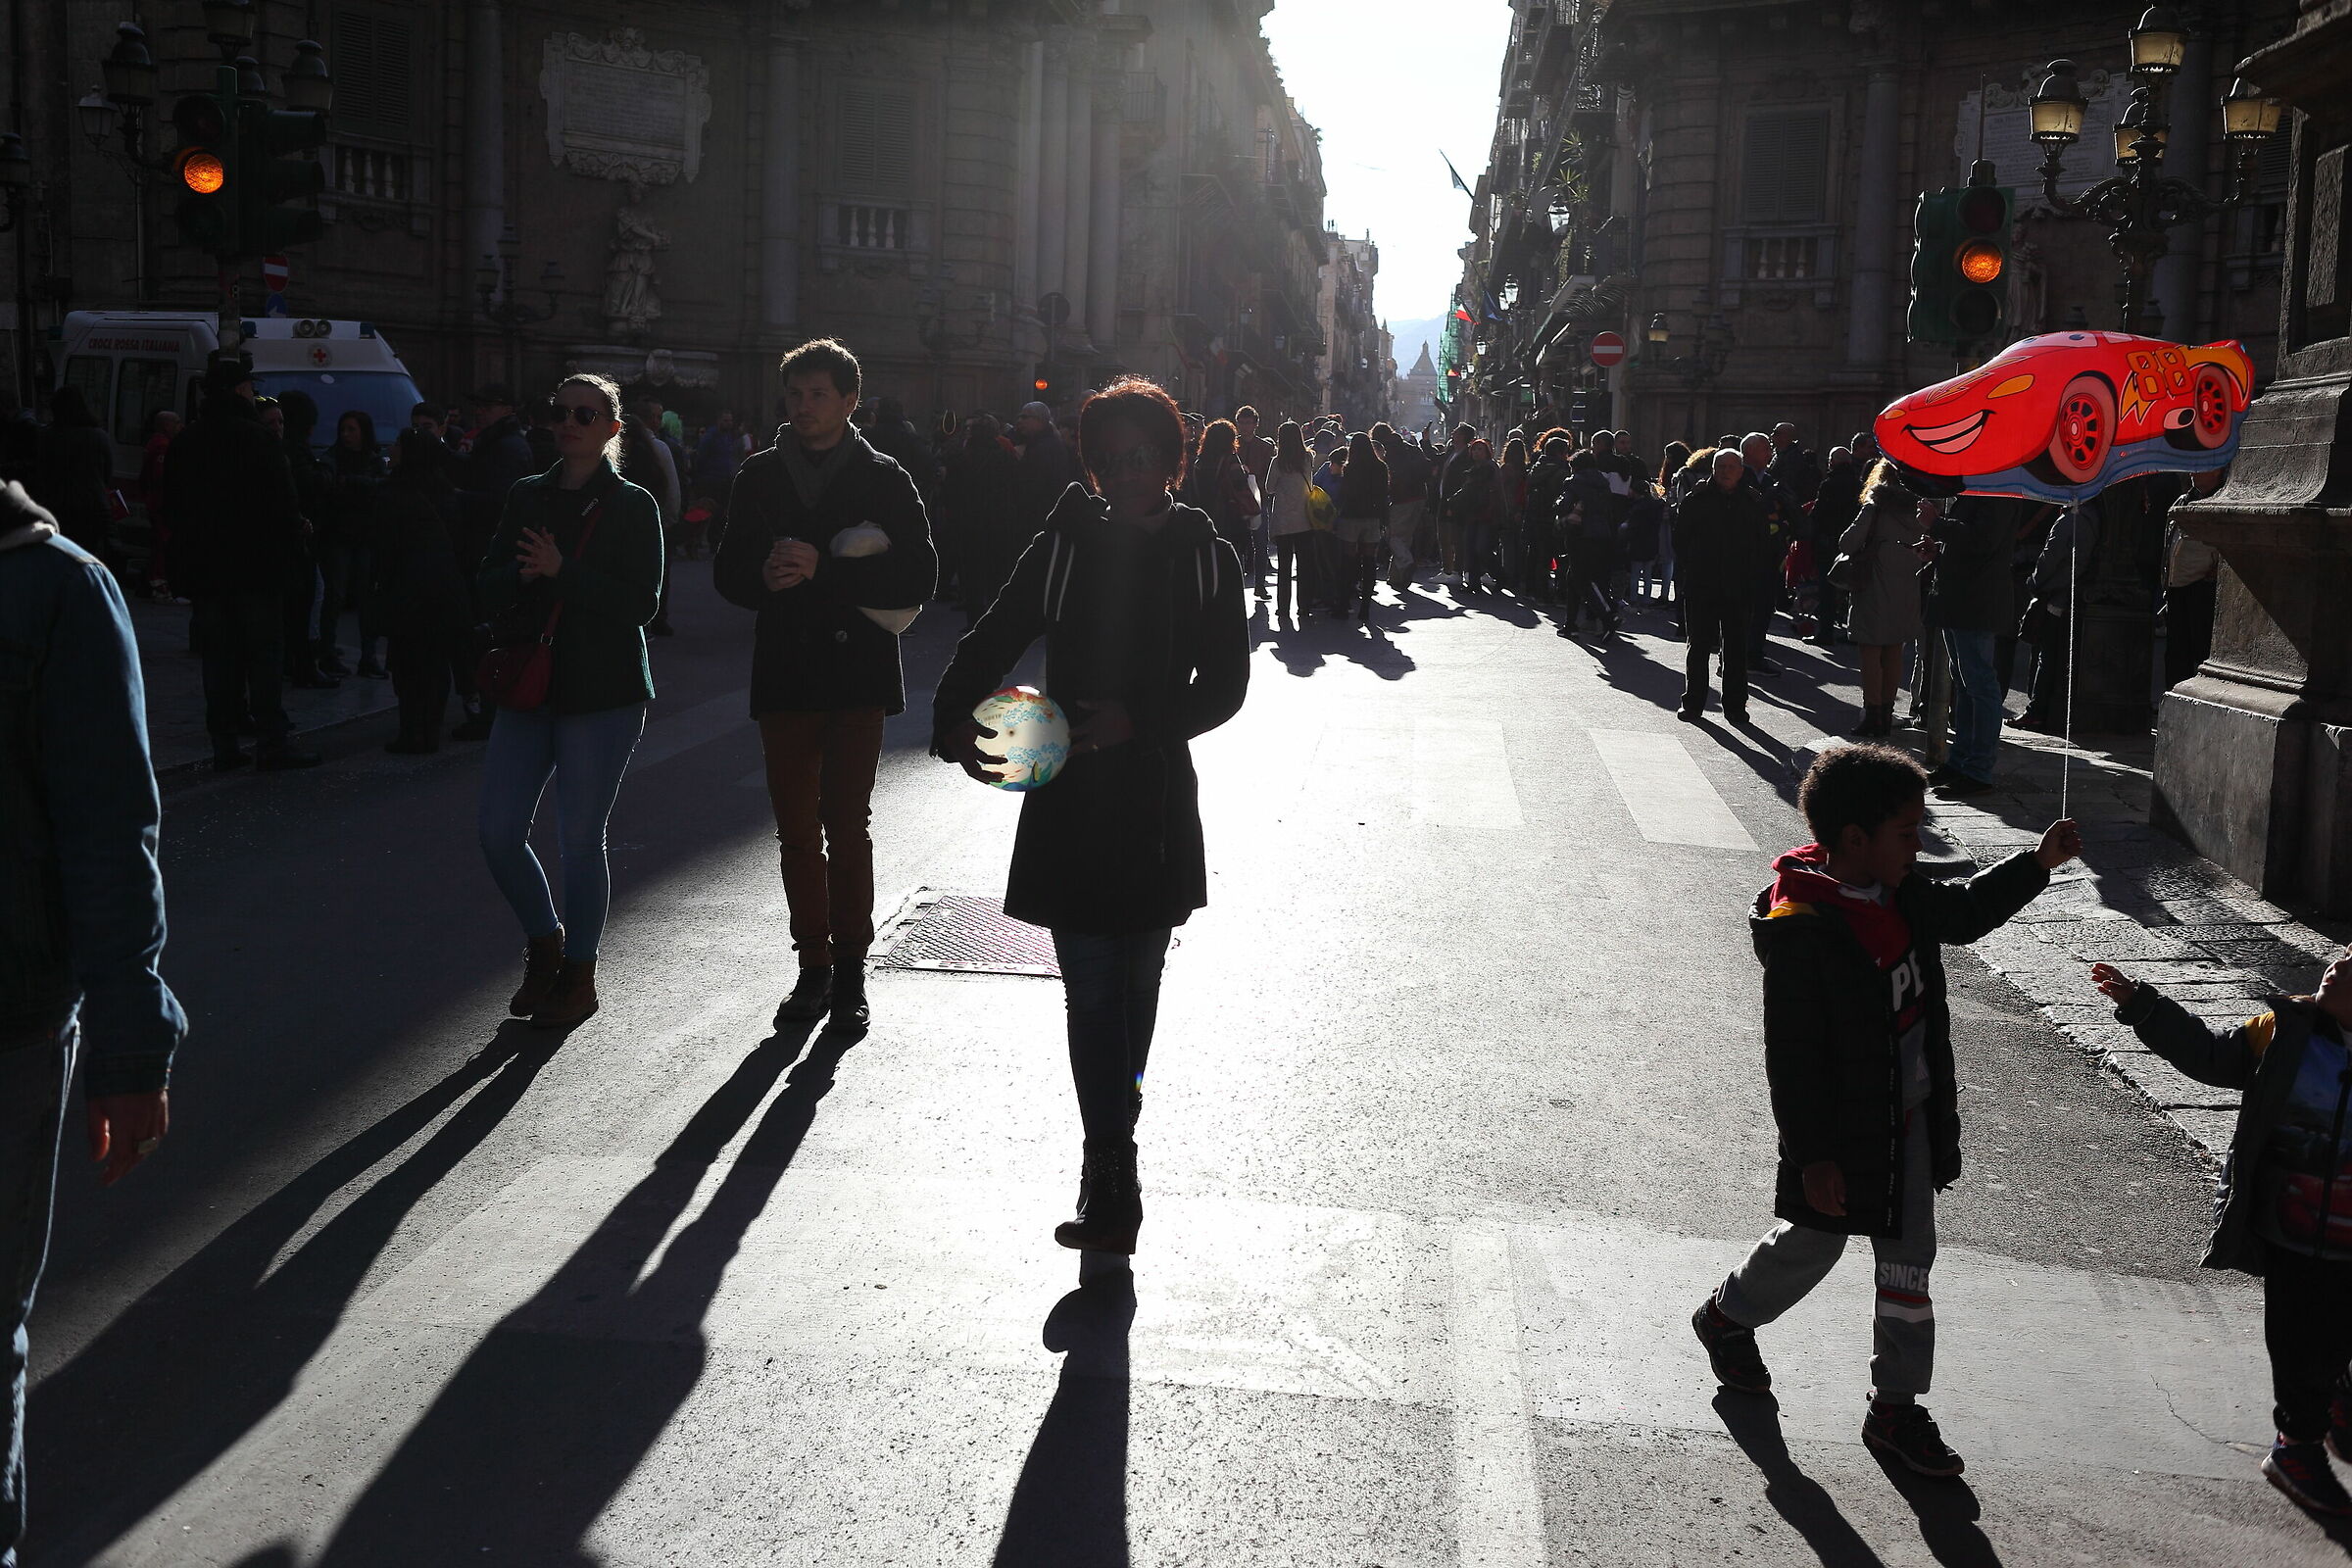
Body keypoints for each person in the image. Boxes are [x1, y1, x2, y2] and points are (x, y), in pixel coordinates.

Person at [1692, 744, 2081, 1478]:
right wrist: (1814, 1158)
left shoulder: (1899, 888)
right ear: (1854, 841)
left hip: (1911, 1120)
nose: (1920, 843)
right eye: (1908, 832)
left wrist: (2036, 863)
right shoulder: (1805, 930)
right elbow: (1794, 1062)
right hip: (1843, 1138)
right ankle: (1727, 1315)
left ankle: (1894, 1408)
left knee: (1908, 1267)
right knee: (1815, 1244)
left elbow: (1963, 915)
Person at [933, 377, 1248, 1255]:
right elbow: (992, 632)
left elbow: (1227, 687)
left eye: (1139, 456)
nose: (1121, 474)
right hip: (1070, 796)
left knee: (1133, 997)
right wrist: (954, 718)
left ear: (1172, 458)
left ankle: (1116, 1147)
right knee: (1091, 996)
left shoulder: (1204, 555)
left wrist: (1139, 723)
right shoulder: (1065, 545)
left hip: (1150, 797)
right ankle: (1109, 1169)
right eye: (1106, 460)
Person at [0, 476, 186, 1568]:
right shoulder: (55, 588)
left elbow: (107, 831)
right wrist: (129, 1049)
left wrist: (126, 1042)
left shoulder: (52, 592)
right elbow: (109, 831)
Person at [714, 338, 935, 1031]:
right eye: (795, 394)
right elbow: (727, 572)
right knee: (794, 831)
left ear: (849, 401)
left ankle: (850, 974)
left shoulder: (884, 476)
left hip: (855, 675)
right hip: (784, 671)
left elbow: (920, 577)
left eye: (818, 395)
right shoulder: (758, 475)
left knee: (846, 825)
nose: (804, 407)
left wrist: (826, 572)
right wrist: (763, 575)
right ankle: (811, 964)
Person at [2090, 944, 2352, 1517]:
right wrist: (2144, 1006)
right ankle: (2297, 1446)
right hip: (2293, 1228)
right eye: (2344, 954)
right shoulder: (2283, 1030)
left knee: (2337, 1335)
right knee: (2298, 1338)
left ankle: (2337, 1397)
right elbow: (2210, 1057)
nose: (2338, 964)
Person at [475, 373, 665, 1030]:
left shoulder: (632, 505)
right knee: (497, 833)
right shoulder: (527, 495)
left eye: (585, 413)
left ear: (613, 427)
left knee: (579, 840)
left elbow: (643, 603)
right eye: (558, 411)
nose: (569, 422)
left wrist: (566, 573)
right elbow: (486, 585)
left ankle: (578, 975)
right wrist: (521, 575)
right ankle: (544, 943)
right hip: (529, 686)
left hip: (603, 692)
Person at [164, 357, 322, 771]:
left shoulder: (188, 440)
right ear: (239, 391)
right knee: (263, 655)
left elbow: (172, 507)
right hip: (257, 567)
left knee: (219, 658)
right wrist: (295, 536)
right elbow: (282, 501)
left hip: (207, 570)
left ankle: (225, 742)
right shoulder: (258, 439)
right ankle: (272, 741)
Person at [371, 430, 473, 753]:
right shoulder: (445, 492)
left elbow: (385, 546)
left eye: (399, 444)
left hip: (407, 590)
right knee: (435, 664)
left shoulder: (393, 492)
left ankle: (411, 731)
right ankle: (430, 730)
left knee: (408, 664)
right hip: (444, 588)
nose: (392, 448)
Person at [1920, 494, 2025, 798]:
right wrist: (1939, 552)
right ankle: (1961, 761)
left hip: (1975, 601)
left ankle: (1977, 769)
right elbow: (1972, 544)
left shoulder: (1997, 490)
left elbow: (1983, 541)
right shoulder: (1979, 488)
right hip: (1961, 599)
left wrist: (1936, 524)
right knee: (1965, 683)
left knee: (1979, 684)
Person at [1672, 448, 1769, 721]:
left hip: (1739, 587)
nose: (1726, 472)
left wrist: (1752, 575)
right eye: (1721, 467)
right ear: (1713, 470)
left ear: (1740, 471)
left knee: (1736, 648)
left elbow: (1763, 543)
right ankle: (1693, 704)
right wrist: (1695, 565)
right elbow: (1680, 539)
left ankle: (1736, 707)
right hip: (1702, 584)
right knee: (1699, 646)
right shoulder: (1697, 499)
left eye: (1731, 467)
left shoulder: (1752, 501)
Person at [1837, 462, 1929, 738]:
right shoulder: (1921, 510)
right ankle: (1886, 716)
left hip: (1874, 586)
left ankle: (1872, 714)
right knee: (1894, 651)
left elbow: (1847, 543)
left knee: (1870, 652)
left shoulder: (1875, 505)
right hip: (1908, 587)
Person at [32, 386, 117, 574]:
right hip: (92, 507)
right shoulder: (97, 436)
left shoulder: (48, 437)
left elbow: (41, 471)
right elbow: (107, 472)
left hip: (58, 506)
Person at [619, 412, 681, 636]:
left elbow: (670, 490)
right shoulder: (656, 452)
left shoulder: (652, 455)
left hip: (646, 526)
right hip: (653, 525)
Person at [2163, 474, 2224, 688]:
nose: (2194, 472)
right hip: (2176, 587)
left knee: (2200, 649)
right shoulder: (2183, 500)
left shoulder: (2222, 498)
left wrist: (2217, 570)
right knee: (2176, 652)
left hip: (2202, 586)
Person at [1185, 419, 1257, 593]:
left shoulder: (1199, 462)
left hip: (1203, 517)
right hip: (1228, 519)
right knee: (1230, 564)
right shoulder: (1231, 460)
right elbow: (1240, 488)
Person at [1557, 448, 1620, 635]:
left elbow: (1564, 506)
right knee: (1576, 578)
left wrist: (1559, 506)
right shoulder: (1604, 483)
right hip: (1603, 535)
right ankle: (1570, 624)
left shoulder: (1573, 483)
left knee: (1581, 580)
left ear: (1574, 467)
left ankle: (1608, 617)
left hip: (1580, 536)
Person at [1808, 446, 1865, 646]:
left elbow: (1819, 513)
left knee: (1826, 589)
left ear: (1832, 462)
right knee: (1853, 588)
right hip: (1852, 541)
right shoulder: (1858, 484)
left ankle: (1825, 632)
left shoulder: (1829, 484)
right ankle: (1854, 631)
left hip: (1828, 541)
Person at [1334, 429, 1391, 623]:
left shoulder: (1350, 468)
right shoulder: (1381, 467)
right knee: (1369, 562)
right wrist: (1384, 520)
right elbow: (1384, 496)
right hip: (1372, 518)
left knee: (1348, 561)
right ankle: (1365, 607)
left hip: (1351, 517)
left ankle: (1343, 604)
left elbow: (1345, 494)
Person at [1266, 419, 1314, 622]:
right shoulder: (1307, 458)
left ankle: (1283, 608)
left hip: (1284, 521)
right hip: (1305, 519)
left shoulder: (1277, 461)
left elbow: (1269, 487)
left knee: (1284, 567)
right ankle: (1304, 607)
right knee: (1304, 567)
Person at [1373, 422, 1431, 589]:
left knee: (1393, 536)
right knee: (1405, 536)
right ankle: (1397, 577)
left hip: (1401, 497)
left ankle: (1406, 563)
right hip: (1420, 494)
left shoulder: (1386, 452)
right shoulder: (1408, 446)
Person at [1448, 438, 1503, 595]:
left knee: (1482, 548)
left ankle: (1499, 575)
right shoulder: (1472, 469)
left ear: (1487, 452)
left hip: (1487, 513)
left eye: (1480, 449)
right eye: (1474, 449)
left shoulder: (1491, 468)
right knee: (1470, 547)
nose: (1476, 452)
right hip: (1472, 513)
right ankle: (1473, 583)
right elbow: (1467, 491)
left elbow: (1497, 492)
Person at [693, 408, 751, 554]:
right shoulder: (710, 437)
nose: (729, 423)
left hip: (725, 480)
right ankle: (694, 542)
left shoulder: (729, 437)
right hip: (710, 480)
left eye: (730, 420)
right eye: (726, 420)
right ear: (719, 421)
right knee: (704, 513)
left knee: (721, 513)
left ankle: (715, 543)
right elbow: (700, 457)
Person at [1233, 406, 1275, 589]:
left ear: (1255, 424)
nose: (1244, 427)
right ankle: (1237, 584)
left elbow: (1269, 475)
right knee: (1237, 543)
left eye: (1248, 423)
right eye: (1241, 423)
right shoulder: (1232, 445)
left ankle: (1260, 584)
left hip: (1259, 501)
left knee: (1260, 543)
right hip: (1236, 500)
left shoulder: (1265, 448)